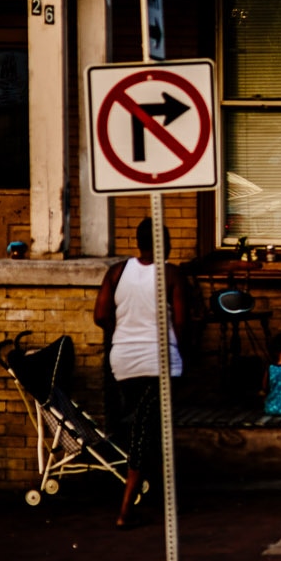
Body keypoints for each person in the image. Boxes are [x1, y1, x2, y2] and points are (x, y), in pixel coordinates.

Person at [93, 218, 188, 528]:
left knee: (148, 427)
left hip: (123, 362)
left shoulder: (117, 272)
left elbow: (101, 315)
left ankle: (164, 497)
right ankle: (125, 509)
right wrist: (177, 349)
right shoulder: (171, 274)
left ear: (138, 241)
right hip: (158, 363)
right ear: (166, 243)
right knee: (145, 433)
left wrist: (122, 335)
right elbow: (182, 322)